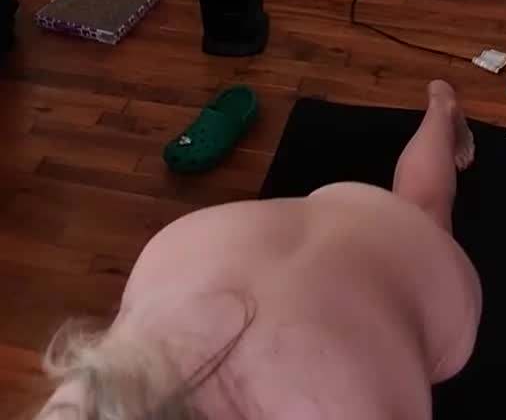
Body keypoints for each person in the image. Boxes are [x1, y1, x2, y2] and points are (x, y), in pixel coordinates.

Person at [37, 80, 482, 420]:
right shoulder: (77, 407)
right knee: (416, 207)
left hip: (419, 261)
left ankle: (442, 107)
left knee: (423, 212)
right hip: (199, 243)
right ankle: (439, 105)